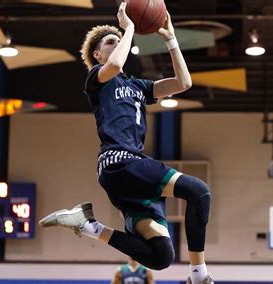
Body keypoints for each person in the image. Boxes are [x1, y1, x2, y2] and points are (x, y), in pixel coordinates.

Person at [39, 3, 213, 284]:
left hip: (130, 176)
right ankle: (199, 274)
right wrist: (130, 26)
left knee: (161, 257)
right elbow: (116, 64)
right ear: (97, 55)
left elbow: (184, 82)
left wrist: (170, 38)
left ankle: (88, 225)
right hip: (120, 162)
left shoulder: (137, 86)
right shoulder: (97, 79)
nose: (118, 42)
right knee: (199, 192)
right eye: (111, 41)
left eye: (119, 40)